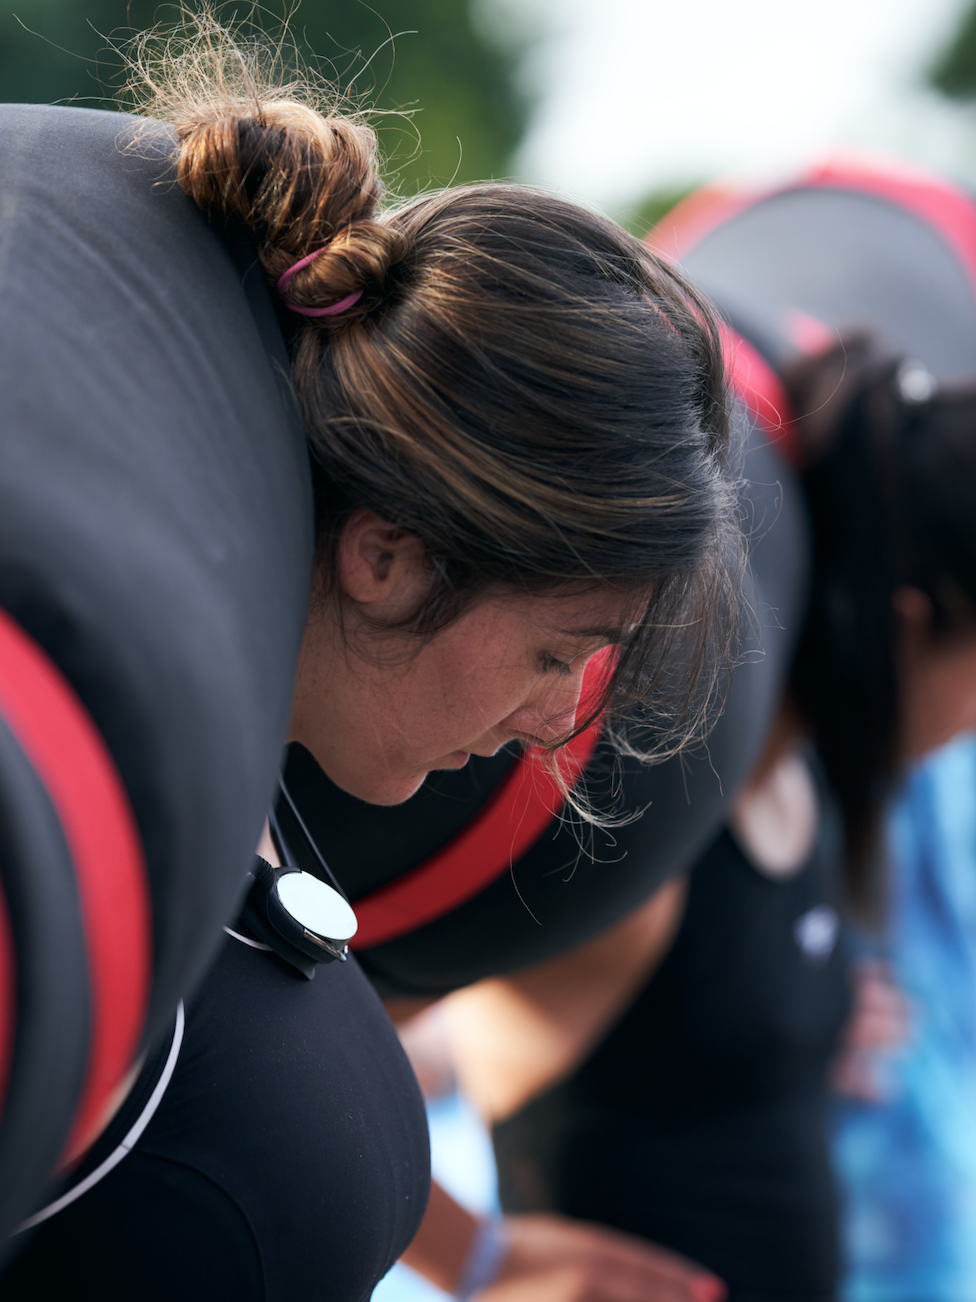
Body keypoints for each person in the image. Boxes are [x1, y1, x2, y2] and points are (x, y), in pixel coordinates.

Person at [0, 14, 742, 1300]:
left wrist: (479, 1252)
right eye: (558, 653)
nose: (556, 719)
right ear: (388, 557)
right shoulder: (148, 710)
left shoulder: (244, 691)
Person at [438, 335, 976, 1302]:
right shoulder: (643, 844)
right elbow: (347, 1060)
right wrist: (476, 1259)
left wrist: (798, 1018)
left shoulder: (797, 788)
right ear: (906, 629)